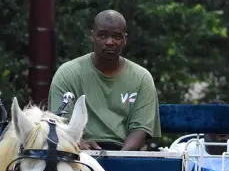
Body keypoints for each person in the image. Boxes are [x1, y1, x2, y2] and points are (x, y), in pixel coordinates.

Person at [48, 10, 161, 151]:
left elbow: (140, 130)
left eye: (116, 36)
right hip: (78, 153)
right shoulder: (68, 73)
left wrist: (118, 160)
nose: (109, 42)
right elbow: (60, 123)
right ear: (92, 36)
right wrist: (77, 142)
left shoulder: (142, 78)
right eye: (102, 35)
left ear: (125, 39)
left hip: (123, 153)